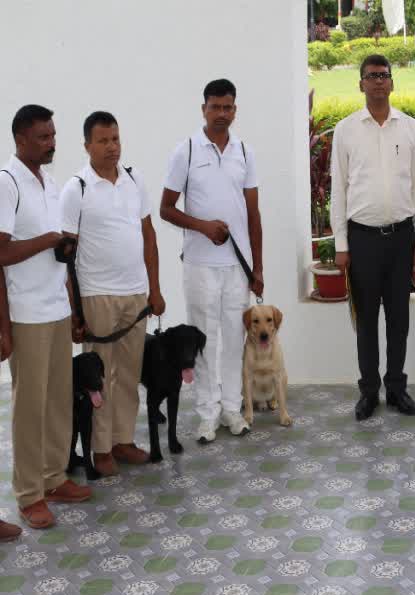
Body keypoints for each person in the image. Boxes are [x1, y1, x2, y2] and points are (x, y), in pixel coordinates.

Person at [0, 104, 93, 533]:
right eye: (43, 137)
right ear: (20, 139)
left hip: (56, 307)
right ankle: (29, 494)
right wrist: (48, 240)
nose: (51, 142)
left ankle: (54, 479)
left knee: (58, 400)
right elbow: (1, 252)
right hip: (26, 313)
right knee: (30, 408)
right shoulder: (6, 183)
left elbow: (60, 253)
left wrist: (74, 307)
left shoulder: (51, 182)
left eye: (53, 135)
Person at [60, 112, 165, 476]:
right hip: (97, 296)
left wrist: (155, 289)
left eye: (116, 139)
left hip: (135, 295)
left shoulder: (134, 181)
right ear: (87, 145)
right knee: (98, 377)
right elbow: (66, 256)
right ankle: (100, 448)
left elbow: (149, 237)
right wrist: (75, 311)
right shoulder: (78, 188)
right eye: (103, 141)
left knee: (130, 373)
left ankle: (122, 440)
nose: (112, 147)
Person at [161, 79, 264, 442]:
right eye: (215, 107)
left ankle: (232, 411)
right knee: (202, 343)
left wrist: (258, 268)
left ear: (235, 110)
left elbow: (253, 214)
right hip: (200, 265)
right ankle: (207, 414)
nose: (222, 114)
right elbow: (166, 209)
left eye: (228, 107)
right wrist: (203, 227)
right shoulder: (186, 151)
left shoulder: (245, 153)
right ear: (203, 108)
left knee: (236, 339)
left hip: (238, 268)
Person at [330, 54, 415, 421]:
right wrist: (341, 246)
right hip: (363, 241)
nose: (377, 81)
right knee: (367, 321)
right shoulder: (346, 130)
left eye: (383, 75)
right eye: (370, 76)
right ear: (361, 84)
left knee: (399, 320)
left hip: (401, 239)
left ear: (392, 82)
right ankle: (369, 391)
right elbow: (337, 193)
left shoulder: (409, 127)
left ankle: (397, 388)